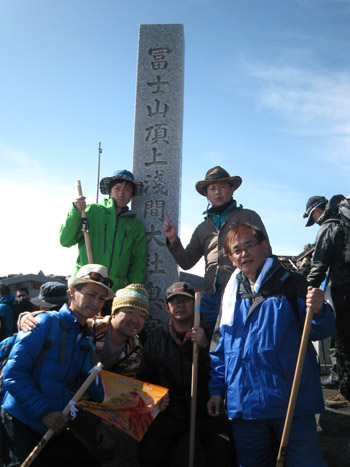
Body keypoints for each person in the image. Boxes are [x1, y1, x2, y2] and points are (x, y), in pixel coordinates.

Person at [207, 223, 335, 467]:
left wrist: (319, 310)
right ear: (232, 259)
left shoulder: (292, 284)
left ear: (264, 247)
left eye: (249, 245)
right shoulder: (230, 296)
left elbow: (321, 329)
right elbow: (219, 348)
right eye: (237, 250)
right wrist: (216, 390)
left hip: (291, 405)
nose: (244, 253)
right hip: (246, 407)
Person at [1, 264, 115, 467]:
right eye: (91, 294)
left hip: (53, 425)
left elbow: (93, 387)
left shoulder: (85, 339)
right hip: (20, 421)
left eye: (101, 298)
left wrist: (141, 400)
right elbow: (13, 374)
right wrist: (44, 412)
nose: (96, 303)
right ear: (72, 292)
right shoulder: (43, 323)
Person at [137, 281, 233, 467]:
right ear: (167, 307)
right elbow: (145, 376)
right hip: (170, 411)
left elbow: (224, 369)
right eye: (175, 301)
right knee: (150, 452)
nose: (180, 305)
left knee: (224, 452)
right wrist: (156, 399)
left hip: (206, 410)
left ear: (195, 304)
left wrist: (205, 347)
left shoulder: (213, 332)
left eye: (186, 300)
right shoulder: (156, 338)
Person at [163, 166, 270, 323]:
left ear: (232, 190)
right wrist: (173, 240)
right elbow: (186, 262)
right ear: (206, 195)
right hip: (211, 296)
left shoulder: (248, 216)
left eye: (222, 187)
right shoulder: (202, 228)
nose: (217, 192)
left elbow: (266, 253)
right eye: (212, 188)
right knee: (208, 342)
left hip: (244, 292)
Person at [20, 283, 149, 379]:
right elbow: (61, 322)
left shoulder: (135, 347)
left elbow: (126, 381)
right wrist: (25, 317)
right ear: (114, 313)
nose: (135, 320)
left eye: (142, 316)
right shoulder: (89, 328)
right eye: (129, 312)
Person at [59, 169, 147, 294]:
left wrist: (135, 291)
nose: (121, 193)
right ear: (109, 191)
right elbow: (65, 240)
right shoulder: (90, 211)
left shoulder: (135, 226)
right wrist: (75, 211)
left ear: (132, 194)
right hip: (86, 284)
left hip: (116, 292)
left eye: (127, 190)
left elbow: (138, 263)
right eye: (117, 188)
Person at [307, 194, 350, 407]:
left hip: (344, 290)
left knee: (343, 341)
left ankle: (346, 391)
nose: (314, 221)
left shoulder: (328, 227)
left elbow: (319, 266)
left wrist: (308, 289)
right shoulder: (345, 225)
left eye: (312, 217)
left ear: (317, 211)